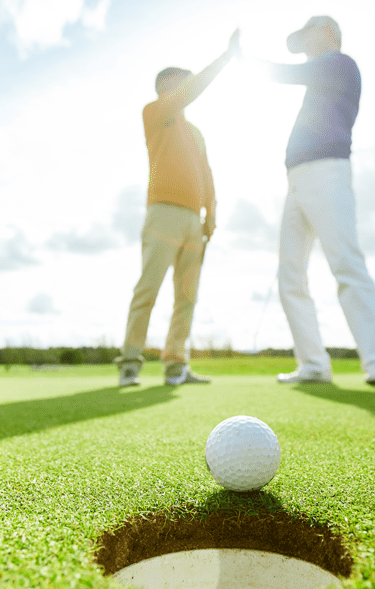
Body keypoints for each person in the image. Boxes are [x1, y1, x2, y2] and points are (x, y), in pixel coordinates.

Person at [254, 16, 375, 385]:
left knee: (345, 261)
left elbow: (286, 72)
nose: (304, 39)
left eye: (310, 32)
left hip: (326, 171)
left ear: (329, 32)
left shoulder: (339, 63)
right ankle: (314, 364)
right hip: (297, 179)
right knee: (290, 275)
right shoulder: (321, 69)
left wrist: (246, 63)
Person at [115, 31, 240, 387]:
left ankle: (175, 366)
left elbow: (206, 175)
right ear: (164, 86)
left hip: (193, 222)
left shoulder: (196, 132)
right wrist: (223, 60)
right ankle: (129, 362)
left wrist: (210, 215)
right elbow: (189, 91)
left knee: (186, 298)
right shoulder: (155, 112)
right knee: (148, 289)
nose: (186, 85)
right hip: (163, 215)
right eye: (180, 81)